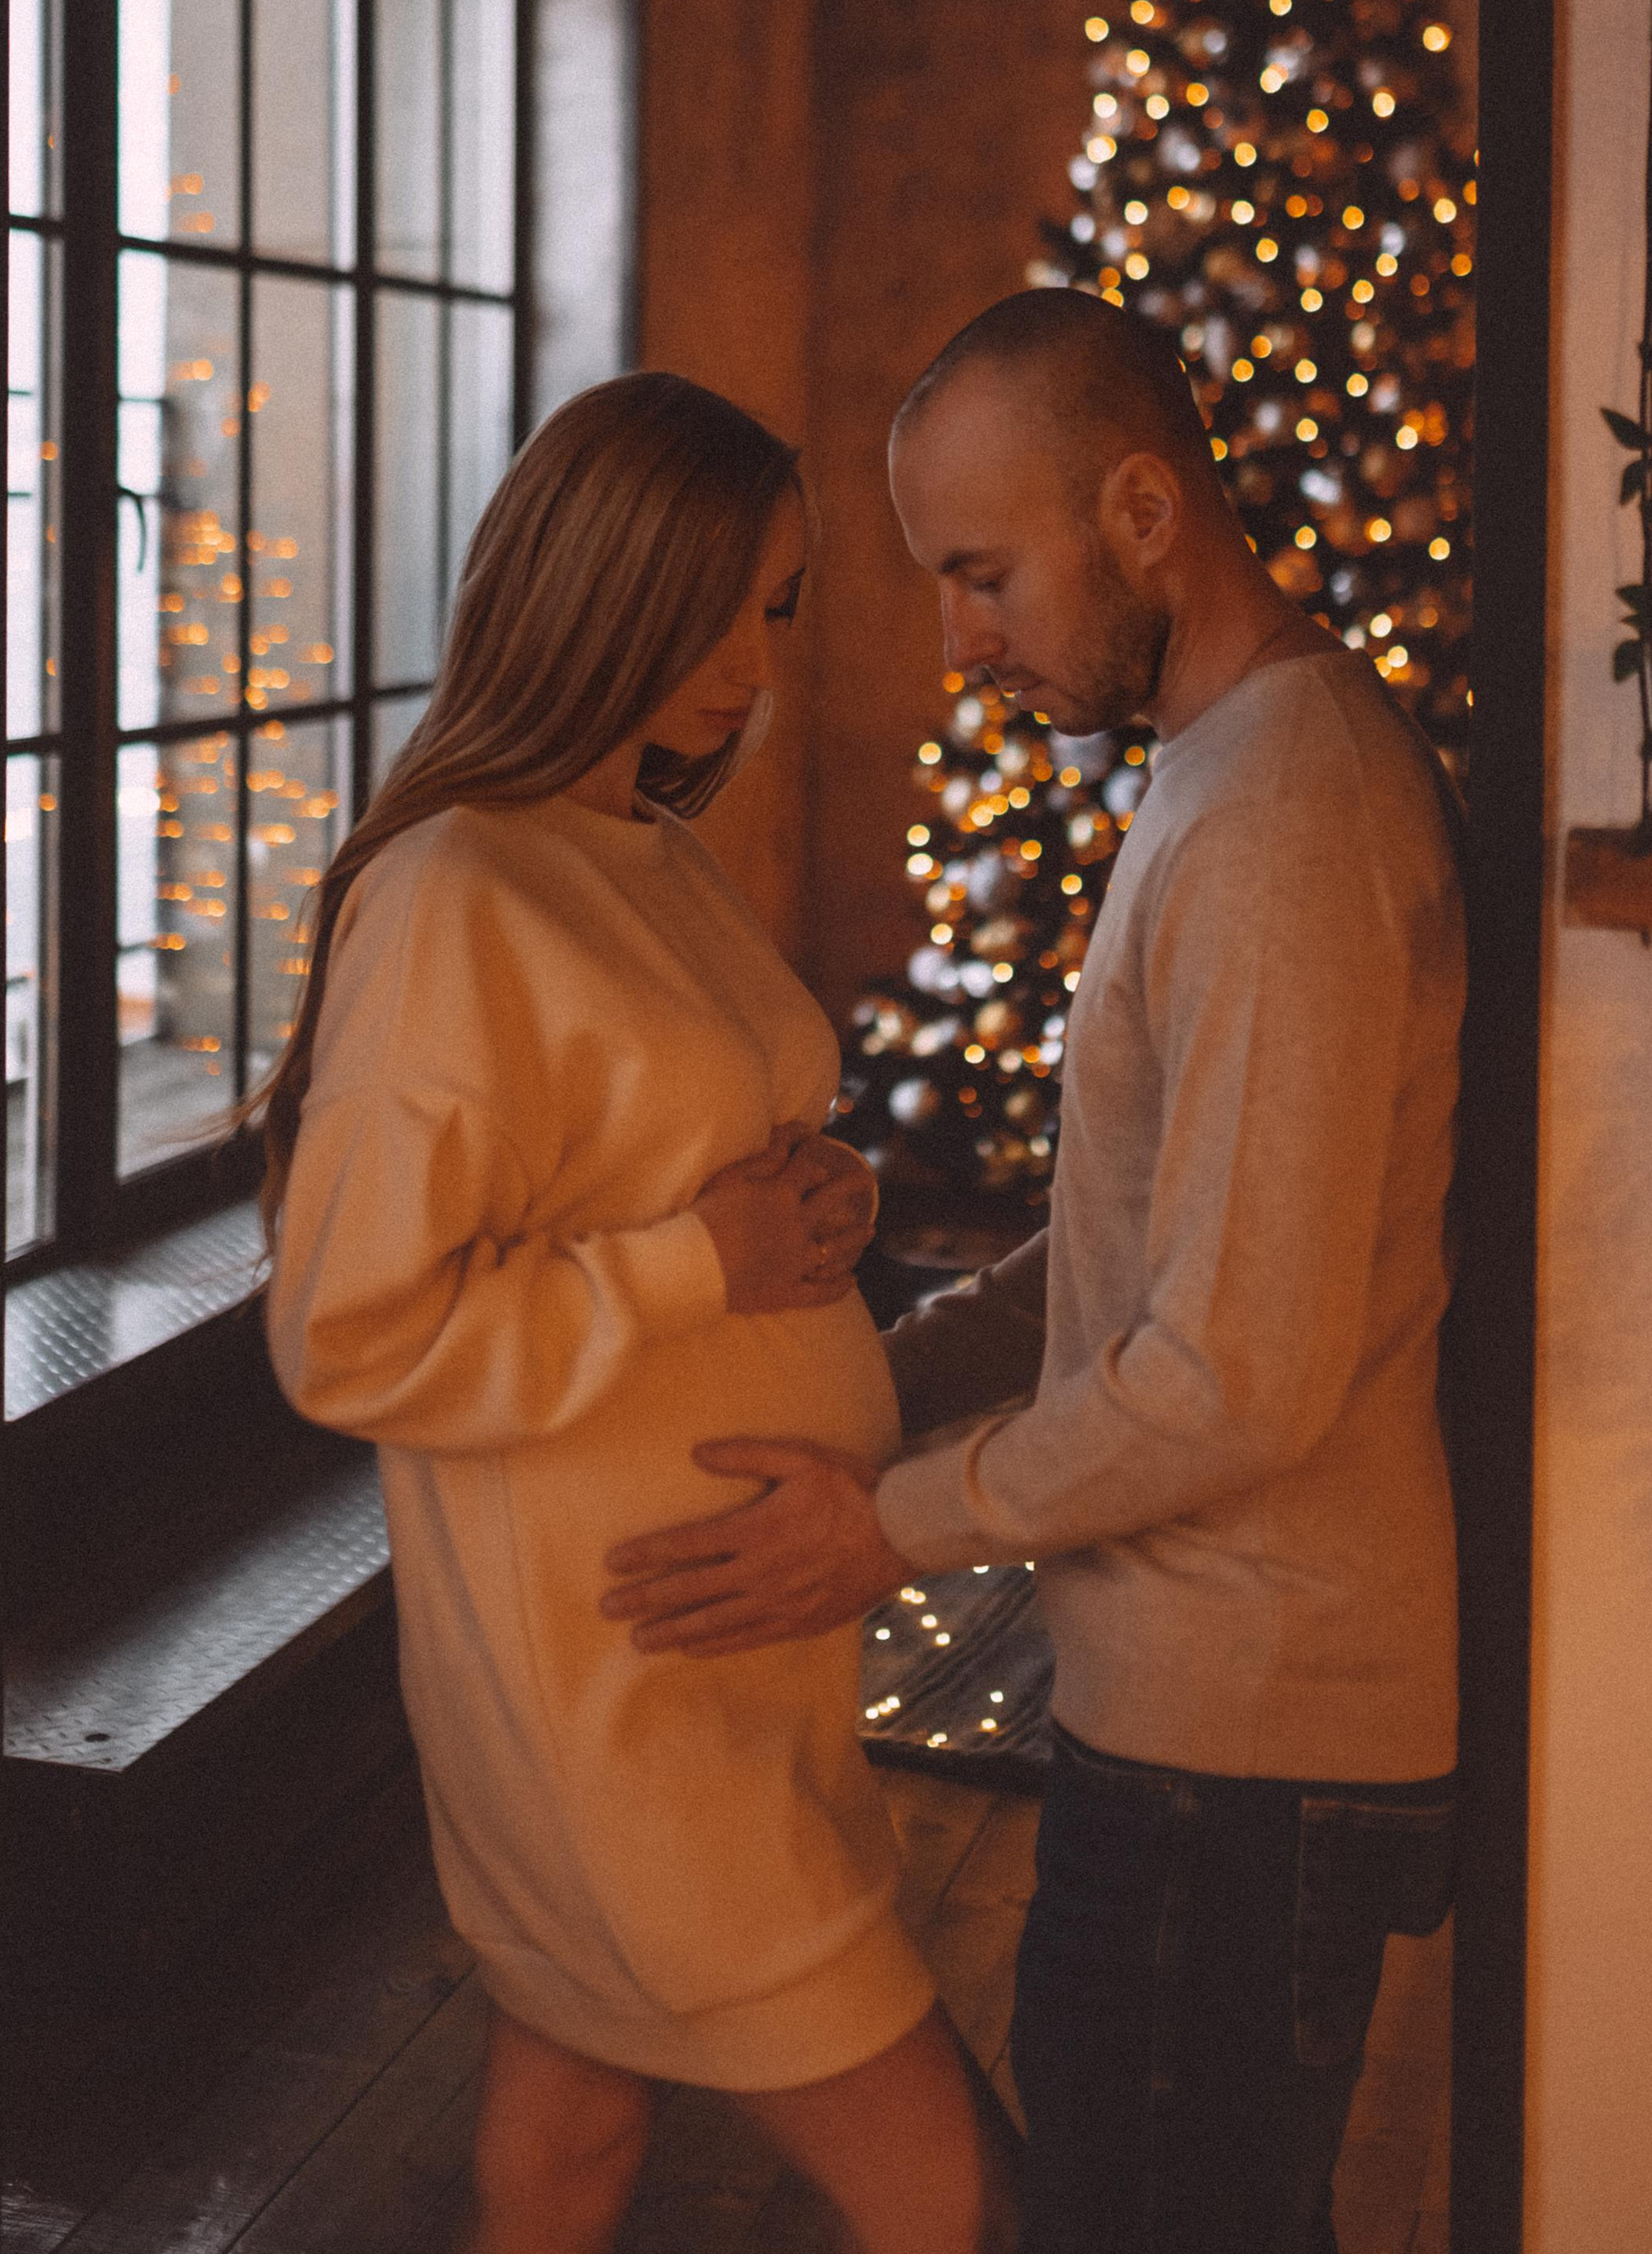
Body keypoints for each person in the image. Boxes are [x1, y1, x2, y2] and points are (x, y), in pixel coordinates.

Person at [601, 289, 1466, 2254]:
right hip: (1196, 1722)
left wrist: (880, 1531)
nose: (957, 642)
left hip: (1244, 1746)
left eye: (981, 575)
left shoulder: (1279, 818)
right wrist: (850, 1383)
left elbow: (1234, 1374)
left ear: (1143, 512)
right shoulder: (1219, 775)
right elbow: (1115, 1268)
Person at [259, 371, 1014, 2254]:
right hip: (616, 1681)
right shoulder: (456, 891)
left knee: (570, 2136)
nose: (754, 662)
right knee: (955, 2195)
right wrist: (705, 1264)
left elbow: (672, 1160)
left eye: (774, 603)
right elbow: (347, 1332)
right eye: (715, 608)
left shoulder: (642, 846)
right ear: (590, 590)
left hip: (737, 1656)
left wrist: (810, 1197)